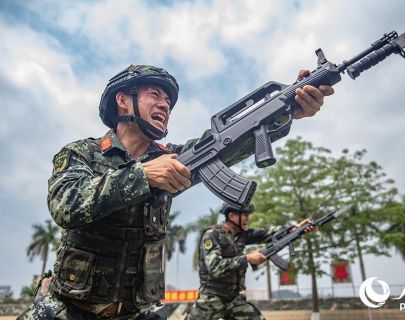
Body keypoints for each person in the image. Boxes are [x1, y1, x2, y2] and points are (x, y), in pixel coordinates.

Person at [18, 65, 333, 320]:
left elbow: (226, 146)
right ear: (122, 101)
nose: (165, 104)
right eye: (155, 94)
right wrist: (141, 175)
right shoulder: (81, 153)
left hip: (137, 312)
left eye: (168, 101)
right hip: (68, 309)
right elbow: (66, 205)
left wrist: (284, 111)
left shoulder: (173, 159)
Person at [186, 203, 317, 320]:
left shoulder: (242, 235)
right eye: (245, 215)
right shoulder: (212, 235)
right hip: (211, 298)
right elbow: (215, 268)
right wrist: (247, 258)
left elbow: (268, 233)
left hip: (234, 299)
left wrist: (294, 229)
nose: (248, 218)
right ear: (232, 216)